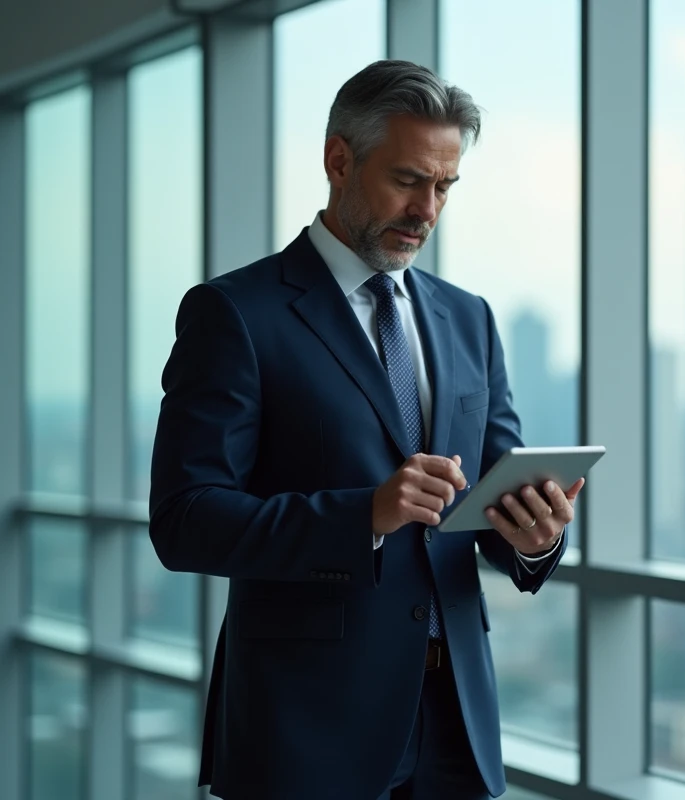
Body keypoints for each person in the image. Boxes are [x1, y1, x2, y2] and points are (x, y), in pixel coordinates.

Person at [148, 59, 584, 800]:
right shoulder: (236, 314)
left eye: (445, 186)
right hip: (307, 732)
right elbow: (184, 521)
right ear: (338, 160)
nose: (428, 209)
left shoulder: (469, 318)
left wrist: (536, 537)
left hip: (456, 727)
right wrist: (363, 516)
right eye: (409, 179)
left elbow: (488, 504)